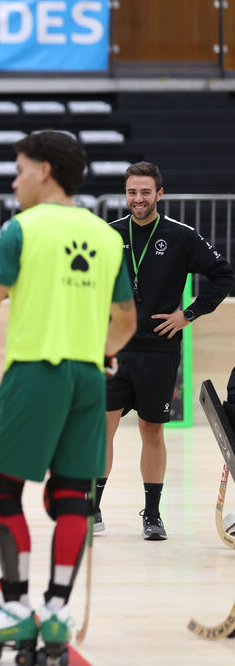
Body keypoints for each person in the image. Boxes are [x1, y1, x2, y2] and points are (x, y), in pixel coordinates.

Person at [0, 131, 136, 664]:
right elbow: (126, 319)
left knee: (2, 492)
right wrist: (99, 350)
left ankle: (14, 608)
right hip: (87, 377)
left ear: (44, 170)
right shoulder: (106, 237)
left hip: (36, 375)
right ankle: (57, 610)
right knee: (71, 499)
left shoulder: (24, 230)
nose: (13, 181)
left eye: (18, 169)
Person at [99, 162, 234, 540]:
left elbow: (223, 275)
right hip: (114, 351)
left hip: (159, 352)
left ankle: (153, 515)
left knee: (152, 431)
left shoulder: (181, 236)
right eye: (131, 192)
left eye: (145, 192)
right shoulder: (107, 236)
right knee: (101, 430)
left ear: (159, 194)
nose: (137, 199)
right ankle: (92, 509)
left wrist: (188, 314)